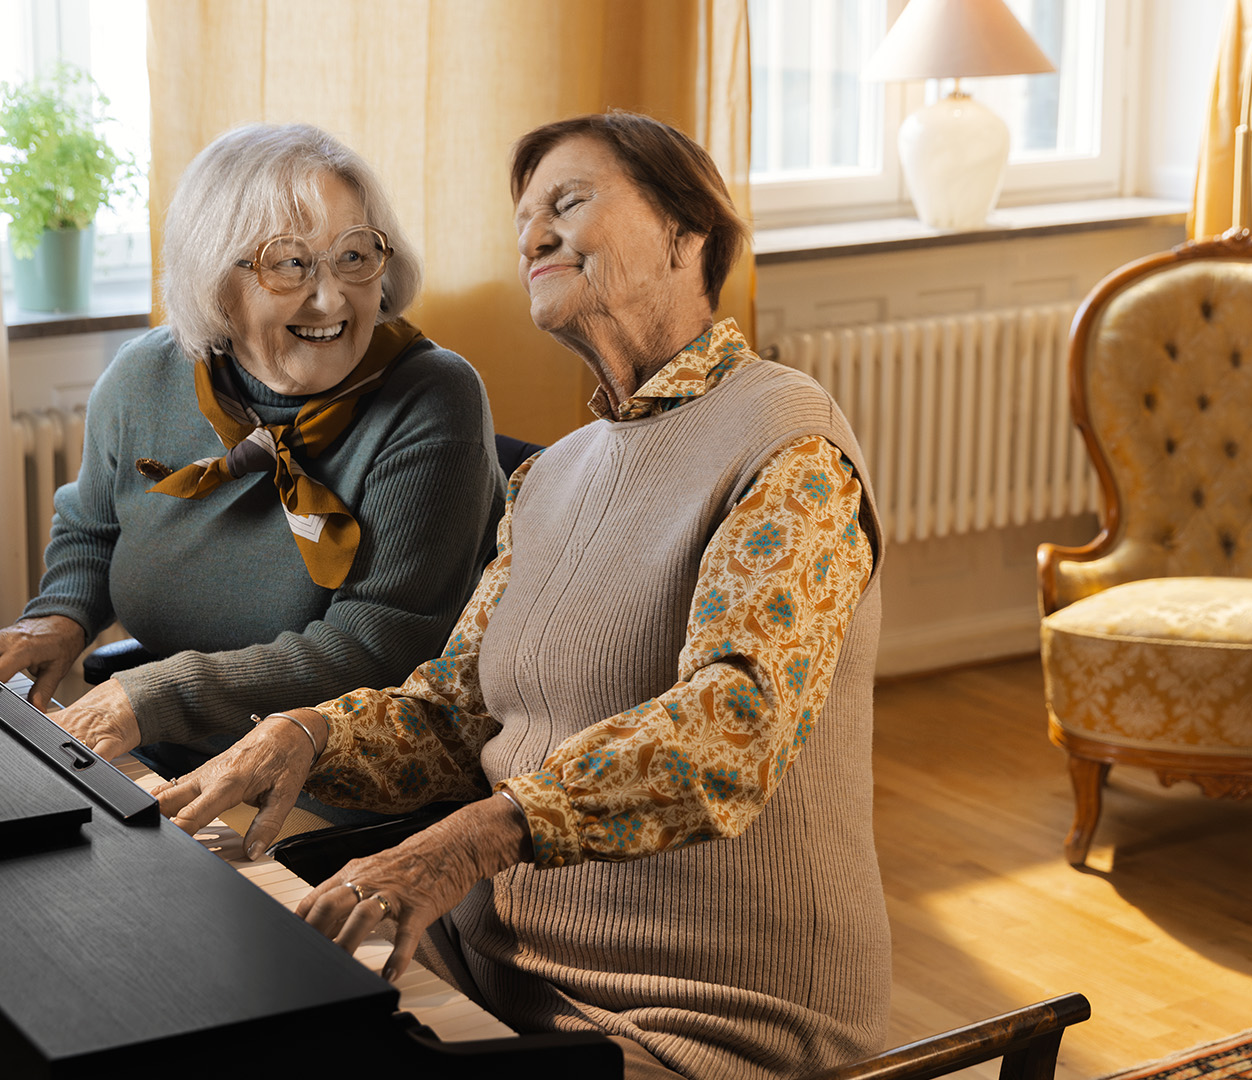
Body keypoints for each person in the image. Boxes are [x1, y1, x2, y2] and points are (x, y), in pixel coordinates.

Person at [155, 111, 889, 1080]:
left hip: (694, 1021)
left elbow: (733, 730)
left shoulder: (787, 442)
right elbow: (457, 720)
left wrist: (475, 839)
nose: (533, 231)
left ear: (688, 231)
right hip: (485, 975)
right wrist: (303, 736)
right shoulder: (552, 478)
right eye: (523, 215)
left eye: (569, 202)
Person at [0, 123, 503, 836]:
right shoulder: (143, 378)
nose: (331, 299)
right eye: (291, 264)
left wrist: (157, 693)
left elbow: (380, 646)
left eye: (354, 257)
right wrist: (62, 616)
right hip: (165, 748)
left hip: (325, 780)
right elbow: (95, 527)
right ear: (215, 277)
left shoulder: (434, 399)